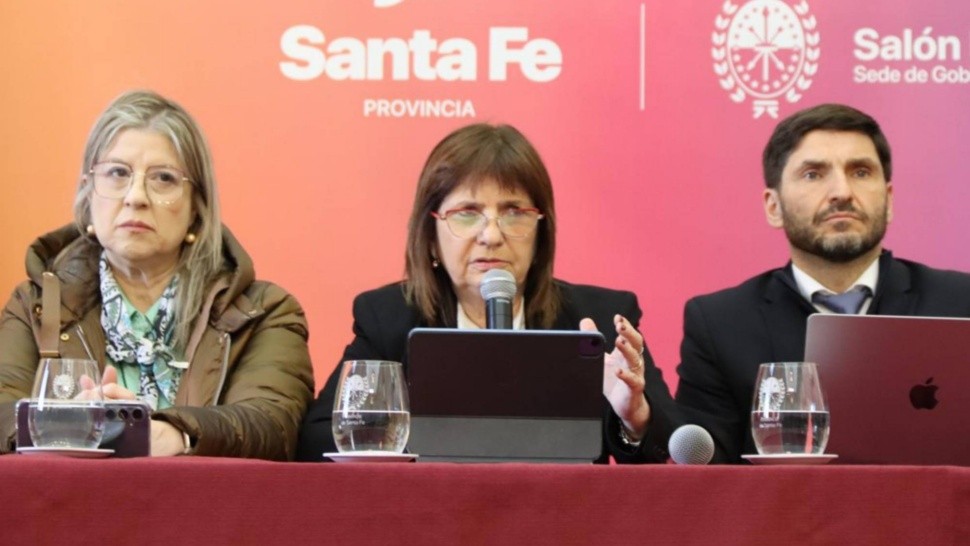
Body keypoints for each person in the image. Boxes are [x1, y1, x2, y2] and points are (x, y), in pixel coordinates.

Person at [297, 123, 679, 463]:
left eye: (514, 212)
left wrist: (636, 419)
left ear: (540, 233)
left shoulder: (598, 317)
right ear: (430, 238)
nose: (492, 235)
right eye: (467, 212)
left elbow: (681, 448)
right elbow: (317, 440)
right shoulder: (389, 317)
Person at [0, 90, 314, 459]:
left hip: (207, 511)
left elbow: (271, 425)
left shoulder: (261, 312)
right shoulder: (37, 306)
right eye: (117, 173)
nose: (136, 196)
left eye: (163, 179)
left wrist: (172, 433)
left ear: (198, 207)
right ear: (88, 192)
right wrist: (65, 423)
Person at [674, 103, 970, 463]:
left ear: (889, 200)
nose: (842, 192)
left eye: (860, 172)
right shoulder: (720, 323)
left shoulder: (959, 303)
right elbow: (702, 477)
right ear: (774, 206)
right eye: (814, 174)